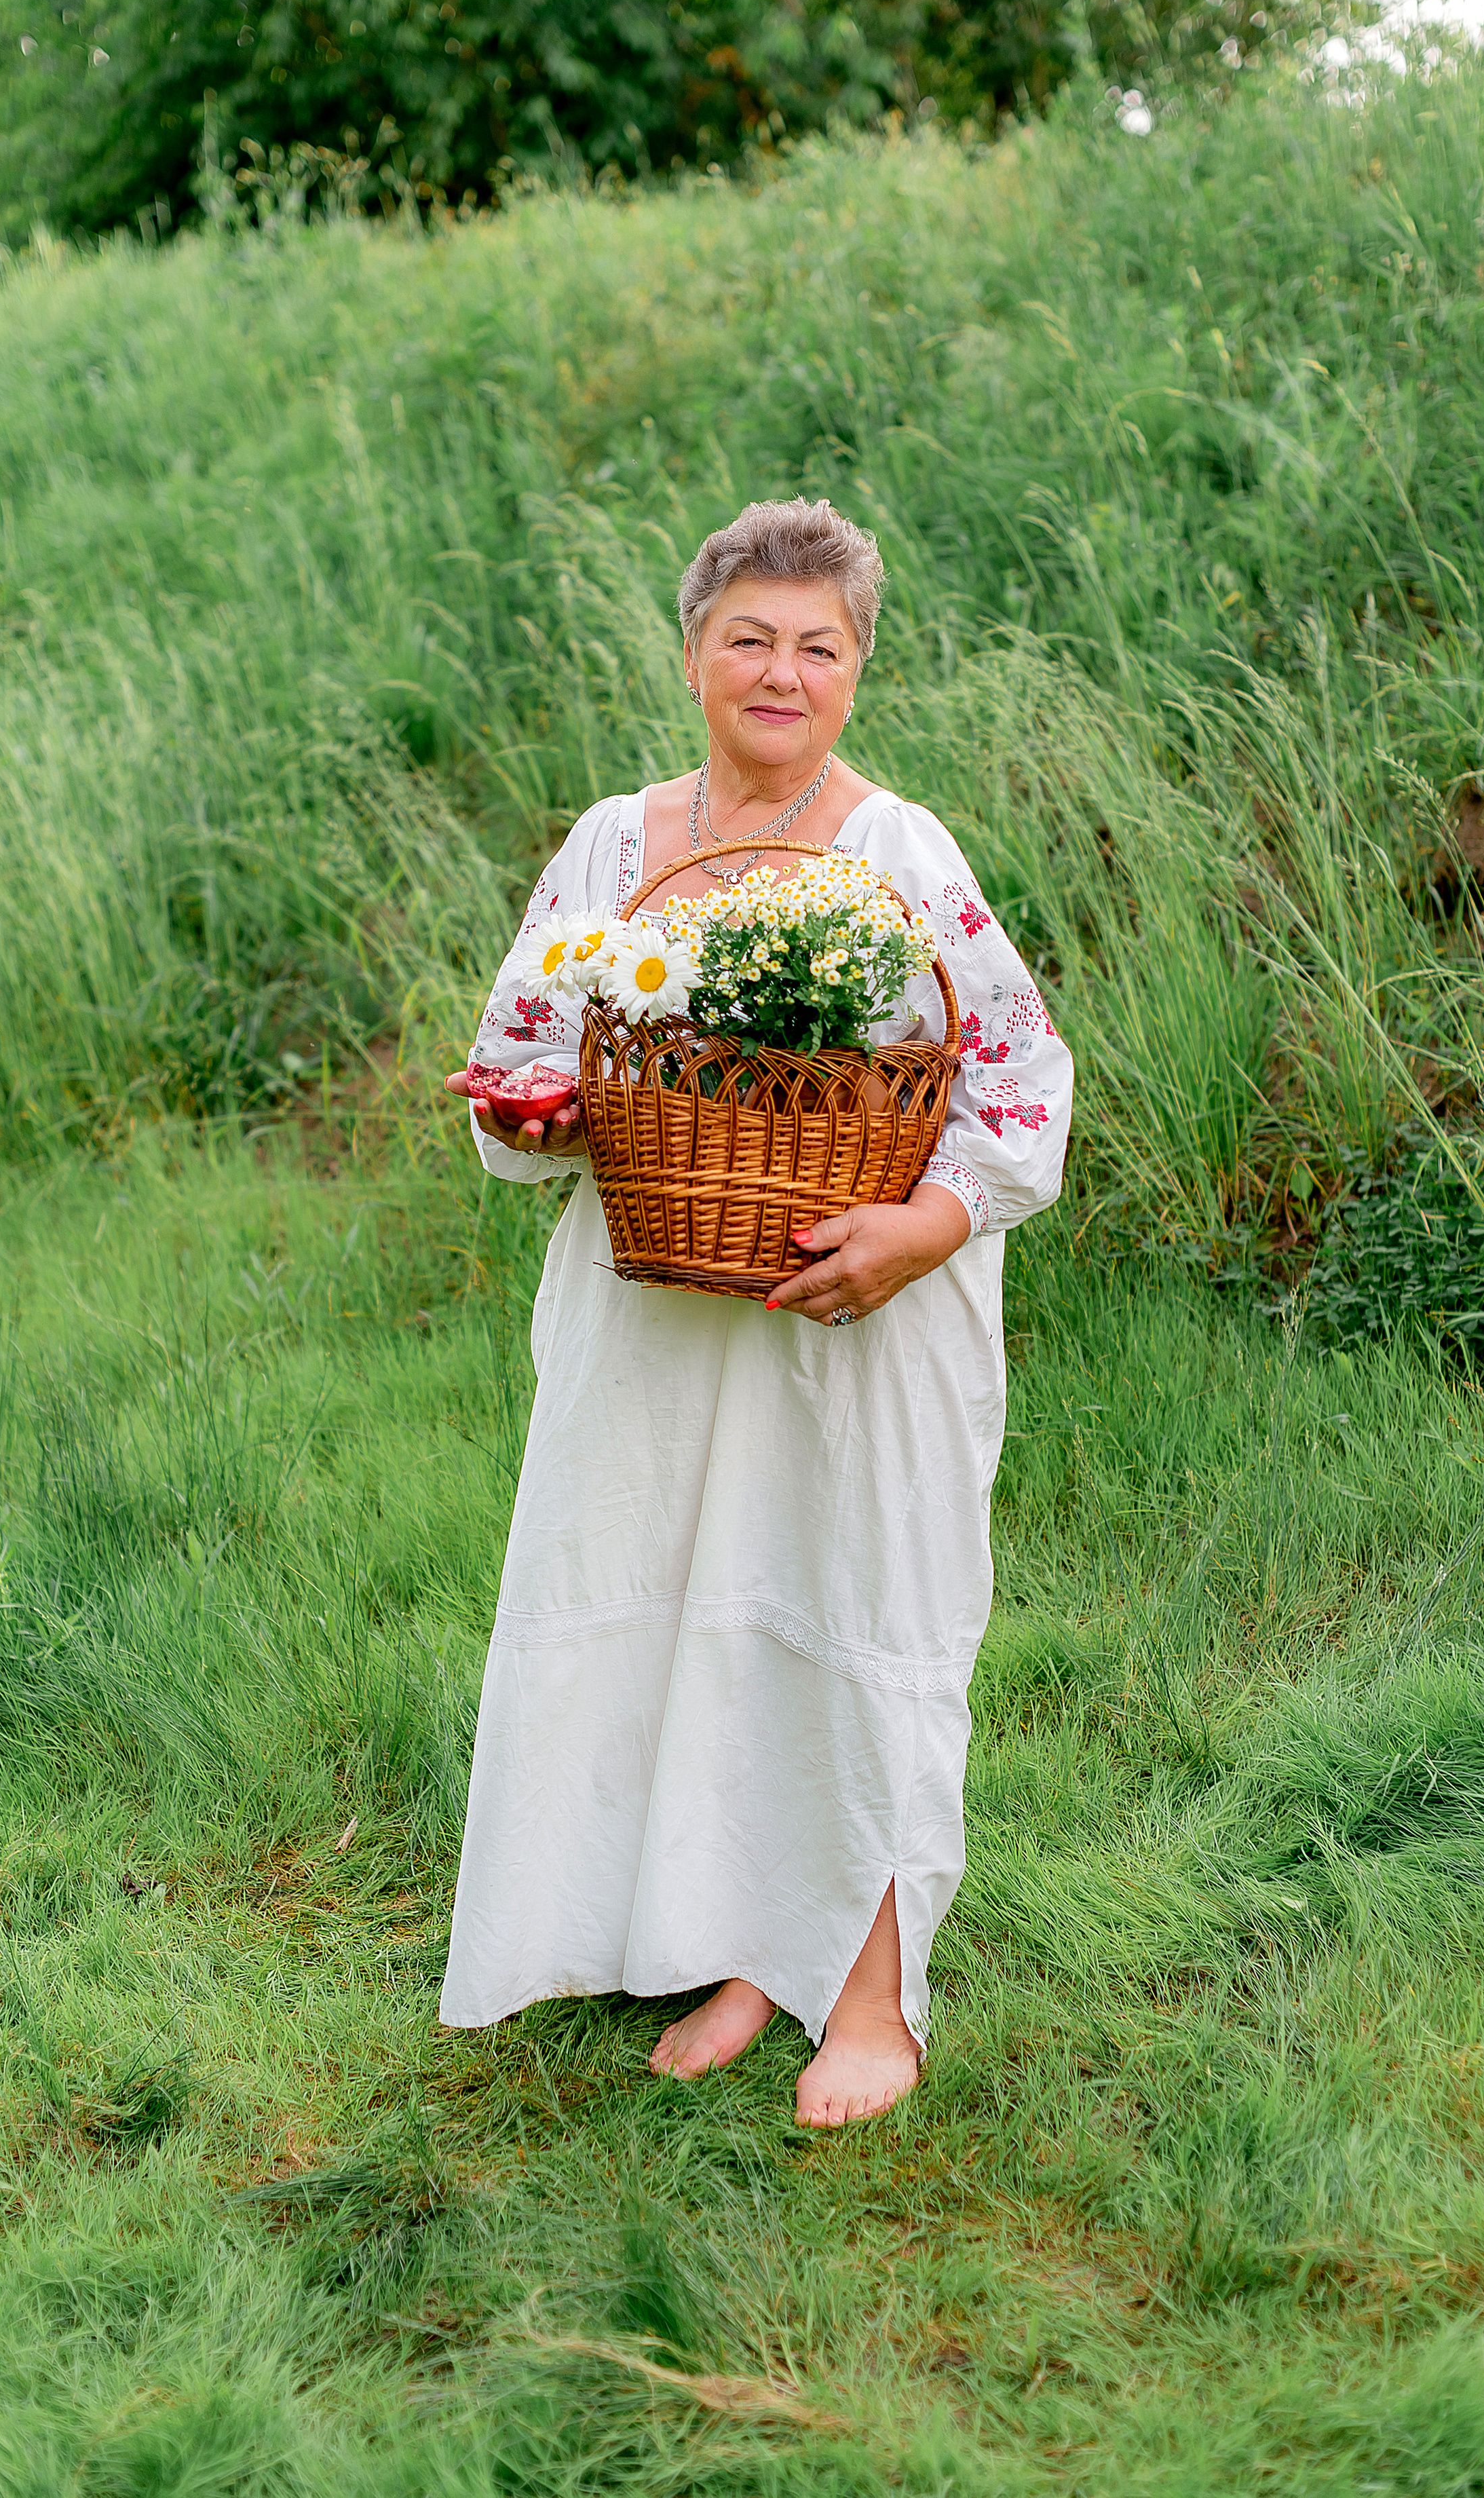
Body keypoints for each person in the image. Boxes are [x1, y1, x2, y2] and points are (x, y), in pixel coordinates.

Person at [439, 497, 1071, 2126]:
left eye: (818, 646)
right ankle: (736, 1945)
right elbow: (519, 1051)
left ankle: (869, 2000)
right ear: (690, 655)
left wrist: (921, 1230)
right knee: (683, 1611)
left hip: (847, 1320)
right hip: (655, 1308)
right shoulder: (611, 844)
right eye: (749, 640)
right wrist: (539, 1119)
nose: (781, 673)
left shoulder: (897, 854)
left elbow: (1017, 1082)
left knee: (846, 1609)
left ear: (855, 672)